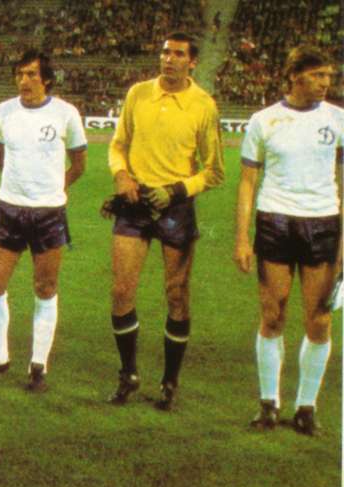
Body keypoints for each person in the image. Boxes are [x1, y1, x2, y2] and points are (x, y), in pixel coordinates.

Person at [107, 33, 224, 409]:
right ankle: (128, 374)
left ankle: (170, 381)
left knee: (176, 295)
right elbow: (118, 144)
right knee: (121, 292)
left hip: (176, 206)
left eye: (178, 54)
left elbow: (214, 171)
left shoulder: (203, 105)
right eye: (164, 52)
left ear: (192, 62)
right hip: (135, 201)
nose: (168, 59)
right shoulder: (138, 94)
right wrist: (121, 175)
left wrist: (176, 190)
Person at [234, 46, 342, 435]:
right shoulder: (264, 120)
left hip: (323, 223)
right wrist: (242, 237)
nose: (326, 83)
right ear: (295, 76)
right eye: (318, 75)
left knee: (320, 319)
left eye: (329, 76)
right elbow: (248, 182)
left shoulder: (338, 119)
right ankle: (269, 404)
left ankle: (306, 407)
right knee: (272, 315)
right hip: (275, 221)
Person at [0, 51, 86, 391]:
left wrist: (54, 189)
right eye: (20, 74)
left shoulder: (66, 113)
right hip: (9, 209)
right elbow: (0, 155)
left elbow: (79, 163)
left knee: (45, 288)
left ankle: (38, 365)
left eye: (31, 74)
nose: (24, 80)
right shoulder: (4, 112)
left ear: (46, 79)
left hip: (48, 213)